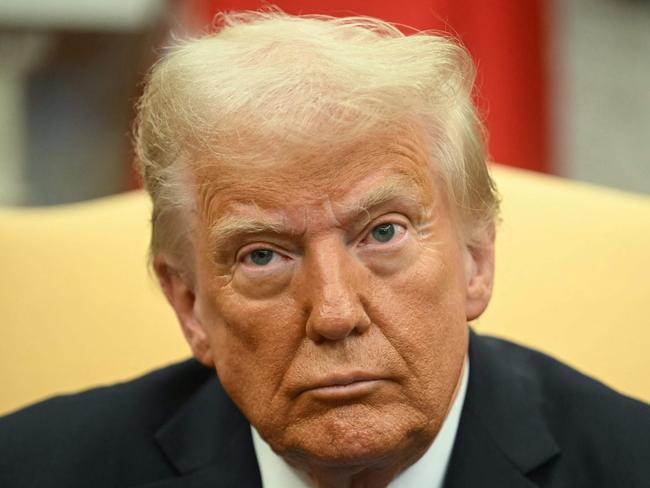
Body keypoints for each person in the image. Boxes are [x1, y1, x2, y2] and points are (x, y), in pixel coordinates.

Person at [1, 10, 648, 488]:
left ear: (477, 260)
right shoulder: (33, 468)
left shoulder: (627, 463)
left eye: (384, 233)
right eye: (262, 255)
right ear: (191, 303)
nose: (335, 313)